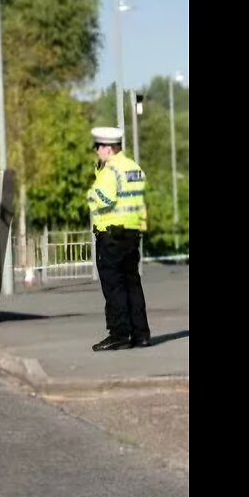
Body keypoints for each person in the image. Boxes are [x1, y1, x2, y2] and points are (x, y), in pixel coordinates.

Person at [86, 126, 151, 351]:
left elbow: (103, 199)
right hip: (132, 234)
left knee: (114, 287)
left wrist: (92, 194)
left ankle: (119, 334)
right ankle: (141, 334)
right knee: (132, 284)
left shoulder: (110, 171)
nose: (96, 151)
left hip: (111, 236)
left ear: (108, 148)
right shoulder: (134, 168)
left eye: (98, 147)